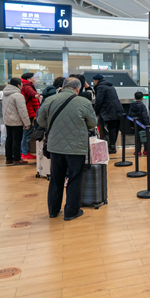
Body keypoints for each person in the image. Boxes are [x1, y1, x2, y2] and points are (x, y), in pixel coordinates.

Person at [37, 77, 97, 221]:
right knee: (74, 179)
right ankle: (71, 212)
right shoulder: (84, 102)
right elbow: (92, 123)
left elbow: (40, 120)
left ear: (63, 87)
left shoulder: (50, 100)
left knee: (56, 179)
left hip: (55, 146)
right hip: (76, 147)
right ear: (78, 89)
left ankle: (53, 210)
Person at [2, 78, 31, 165]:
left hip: (7, 121)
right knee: (17, 140)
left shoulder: (5, 94)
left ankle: (9, 158)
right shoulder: (18, 96)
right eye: (21, 84)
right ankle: (17, 159)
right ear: (18, 85)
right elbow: (22, 111)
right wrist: (27, 123)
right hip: (16, 121)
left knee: (9, 139)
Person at [93, 74, 124, 154]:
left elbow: (99, 101)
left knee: (111, 129)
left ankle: (112, 147)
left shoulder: (100, 87)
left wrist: (95, 112)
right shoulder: (110, 86)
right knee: (115, 128)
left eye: (94, 81)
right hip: (118, 110)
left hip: (109, 111)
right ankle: (112, 146)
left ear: (97, 80)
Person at [20, 72, 41, 160]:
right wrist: (36, 95)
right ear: (28, 79)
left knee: (25, 134)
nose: (34, 79)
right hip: (30, 113)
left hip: (28, 112)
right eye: (33, 78)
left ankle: (23, 152)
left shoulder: (23, 85)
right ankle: (25, 152)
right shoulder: (27, 85)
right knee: (27, 134)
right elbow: (31, 93)